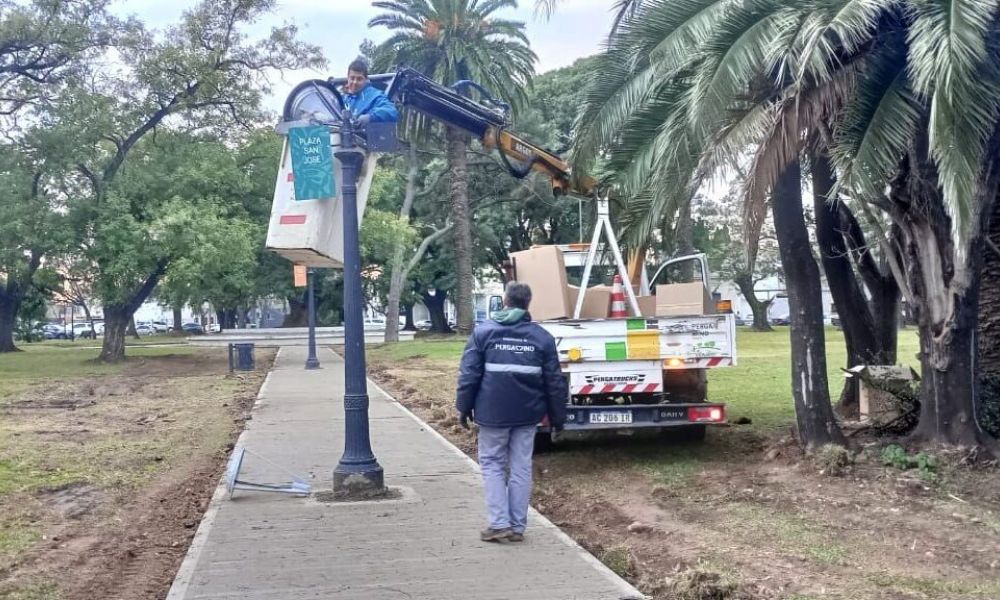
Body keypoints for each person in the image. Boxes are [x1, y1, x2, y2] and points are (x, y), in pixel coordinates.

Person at [456, 282, 568, 543]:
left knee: (493, 464)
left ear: (504, 301)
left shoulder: (484, 333)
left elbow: (469, 375)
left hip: (492, 413)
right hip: (528, 414)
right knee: (520, 466)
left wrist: (463, 407)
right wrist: (558, 417)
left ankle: (499, 524)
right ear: (528, 303)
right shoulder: (542, 338)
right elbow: (554, 382)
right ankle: (517, 527)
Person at [343, 58, 398, 125]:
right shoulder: (343, 99)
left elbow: (391, 111)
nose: (355, 82)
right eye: (352, 78)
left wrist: (370, 117)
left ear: (365, 79)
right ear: (348, 78)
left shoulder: (374, 95)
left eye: (359, 79)